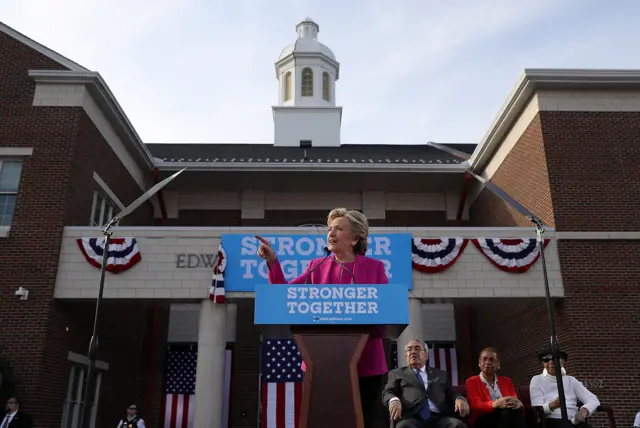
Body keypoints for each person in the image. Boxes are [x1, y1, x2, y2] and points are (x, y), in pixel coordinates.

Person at [256, 207, 389, 428]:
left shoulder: (375, 268)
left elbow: (385, 309)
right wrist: (272, 261)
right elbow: (284, 294)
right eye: (330, 229)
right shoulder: (316, 267)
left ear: (355, 238)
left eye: (339, 228)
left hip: (366, 365)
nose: (331, 233)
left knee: (366, 420)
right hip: (322, 364)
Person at [381, 339, 469, 428]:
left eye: (417, 348)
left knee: (457, 425)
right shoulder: (397, 374)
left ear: (426, 355)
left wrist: (460, 398)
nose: (413, 352)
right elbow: (388, 391)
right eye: (409, 349)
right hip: (412, 417)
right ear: (406, 355)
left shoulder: (441, 374)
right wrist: (393, 400)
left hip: (439, 417)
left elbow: (451, 392)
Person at [529, 348, 600, 428]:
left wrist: (584, 410)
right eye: (546, 360)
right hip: (552, 420)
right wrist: (553, 405)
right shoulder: (537, 380)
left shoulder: (571, 380)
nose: (551, 362)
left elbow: (593, 399)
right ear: (543, 363)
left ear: (562, 362)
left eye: (554, 358)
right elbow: (537, 409)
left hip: (573, 420)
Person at [465, 347, 527, 428]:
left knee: (513, 411)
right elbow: (476, 407)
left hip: (508, 417)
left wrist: (518, 403)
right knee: (508, 413)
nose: (487, 362)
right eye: (484, 359)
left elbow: (513, 398)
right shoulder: (471, 381)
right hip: (484, 419)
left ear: (498, 364)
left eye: (491, 359)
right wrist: (495, 404)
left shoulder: (506, 381)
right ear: (479, 363)